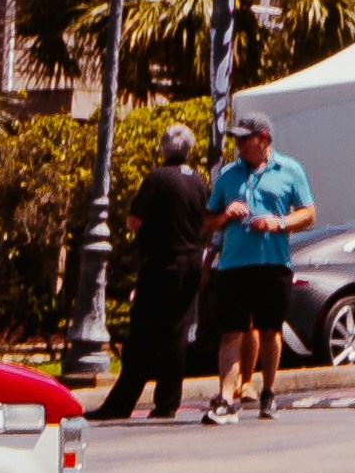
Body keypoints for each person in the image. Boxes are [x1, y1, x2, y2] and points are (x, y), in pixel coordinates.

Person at [206, 124, 313, 418]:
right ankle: (227, 397)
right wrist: (226, 214)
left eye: (244, 139)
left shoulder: (289, 170)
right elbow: (207, 221)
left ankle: (268, 391)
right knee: (232, 332)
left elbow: (308, 213)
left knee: (269, 329)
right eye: (236, 139)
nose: (238, 145)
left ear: (263, 138)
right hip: (233, 264)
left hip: (273, 263)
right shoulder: (227, 175)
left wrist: (278, 222)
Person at [124, 130, 215, 425]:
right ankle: (168, 401)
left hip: (162, 262)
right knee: (176, 332)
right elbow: (206, 221)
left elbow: (135, 221)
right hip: (191, 261)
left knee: (142, 330)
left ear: (164, 148)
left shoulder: (157, 178)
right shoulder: (198, 180)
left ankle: (123, 400)